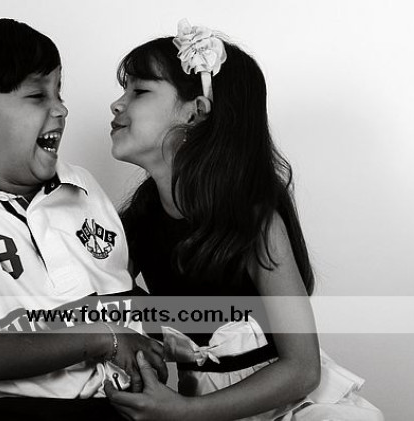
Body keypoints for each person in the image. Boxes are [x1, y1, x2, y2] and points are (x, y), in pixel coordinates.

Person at [104, 19, 383, 420]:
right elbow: (100, 309)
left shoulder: (254, 223)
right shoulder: (132, 226)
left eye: (139, 91)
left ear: (196, 113)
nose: (117, 104)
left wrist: (185, 412)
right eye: (123, 90)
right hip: (198, 407)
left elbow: (302, 369)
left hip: (285, 405)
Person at [0, 18, 166, 410]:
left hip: (121, 402)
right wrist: (99, 337)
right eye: (38, 95)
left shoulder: (83, 187)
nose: (62, 108)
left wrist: (156, 342)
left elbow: (119, 287)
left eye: (59, 91)